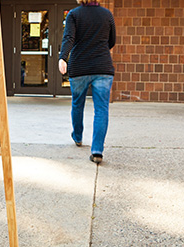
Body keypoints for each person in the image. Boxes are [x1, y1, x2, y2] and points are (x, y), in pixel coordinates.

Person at [58, 0, 115, 164]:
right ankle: (97, 151)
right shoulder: (107, 14)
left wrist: (63, 57)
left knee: (77, 103)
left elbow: (69, 37)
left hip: (80, 67)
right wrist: (99, 49)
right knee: (102, 109)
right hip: (103, 66)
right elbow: (112, 40)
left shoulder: (74, 14)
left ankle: (77, 136)